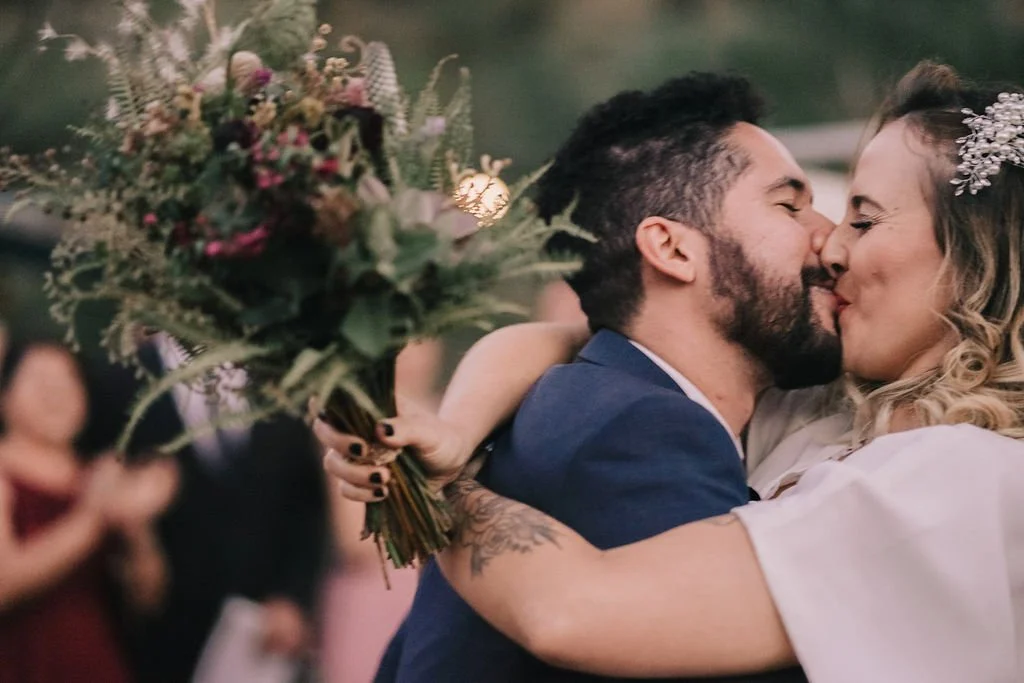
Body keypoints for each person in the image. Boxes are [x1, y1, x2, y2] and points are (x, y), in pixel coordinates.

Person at [319, 61, 1024, 682]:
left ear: (972, 258)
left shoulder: (969, 476)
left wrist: (438, 482)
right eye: (794, 205)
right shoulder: (804, 409)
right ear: (671, 250)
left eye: (862, 218)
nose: (831, 244)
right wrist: (454, 427)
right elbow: (562, 338)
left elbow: (576, 608)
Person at [90, 333, 331, 683]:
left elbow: (305, 503)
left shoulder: (282, 377)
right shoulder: (118, 379)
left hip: (258, 637)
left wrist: (294, 598)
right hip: (151, 634)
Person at [0, 340, 177, 683]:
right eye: (40, 381)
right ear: (5, 395)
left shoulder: (97, 477)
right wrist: (95, 515)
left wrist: (135, 525)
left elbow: (148, 599)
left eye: (68, 380)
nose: (57, 394)